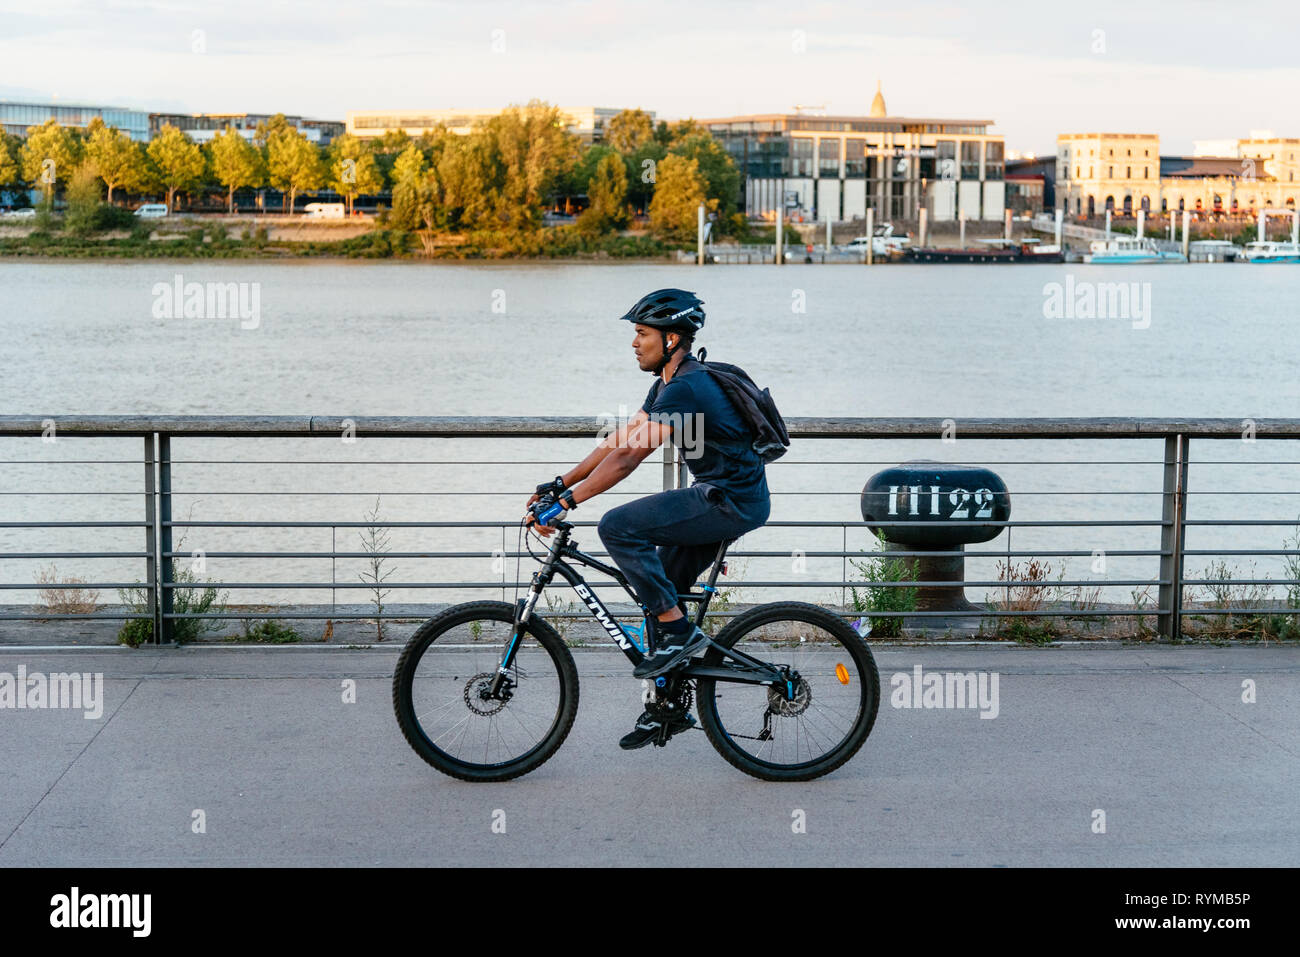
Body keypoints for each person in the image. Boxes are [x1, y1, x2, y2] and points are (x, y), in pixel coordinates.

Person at [524, 288, 771, 749]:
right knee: (658, 590)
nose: (634, 343)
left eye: (642, 333)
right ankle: (667, 708)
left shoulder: (688, 388)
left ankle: (680, 634)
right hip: (717, 495)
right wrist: (561, 482)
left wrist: (569, 504)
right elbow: (618, 440)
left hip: (729, 500)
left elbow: (630, 459)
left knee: (617, 526)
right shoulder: (666, 384)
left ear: (671, 338)